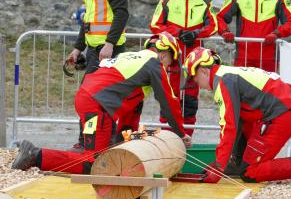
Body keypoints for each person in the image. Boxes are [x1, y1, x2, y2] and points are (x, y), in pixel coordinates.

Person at [12, 32, 192, 174]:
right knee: (95, 163)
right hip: (98, 105)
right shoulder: (153, 64)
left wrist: (141, 137)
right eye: (170, 61)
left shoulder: (132, 63)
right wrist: (180, 134)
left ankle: (39, 155)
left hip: (86, 99)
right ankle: (35, 155)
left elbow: (126, 129)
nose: (168, 67)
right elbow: (169, 102)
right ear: (164, 54)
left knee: (94, 153)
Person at [182, 47, 291, 183]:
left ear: (203, 71)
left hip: (282, 113)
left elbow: (229, 126)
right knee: (243, 139)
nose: (198, 85)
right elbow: (238, 121)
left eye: (195, 79)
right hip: (283, 108)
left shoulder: (222, 82)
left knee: (250, 172)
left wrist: (219, 166)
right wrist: (223, 162)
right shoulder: (227, 74)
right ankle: (237, 163)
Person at [66, 0, 129, 151]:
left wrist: (109, 44)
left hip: (109, 49)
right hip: (95, 50)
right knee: (91, 98)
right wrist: (78, 48)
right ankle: (88, 142)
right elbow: (87, 21)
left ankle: (100, 142)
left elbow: (122, 14)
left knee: (100, 99)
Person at [150, 0, 218, 136]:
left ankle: (186, 140)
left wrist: (196, 33)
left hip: (194, 60)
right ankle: (167, 140)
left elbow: (213, 26)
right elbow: (155, 25)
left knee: (190, 104)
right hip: (172, 59)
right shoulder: (166, 0)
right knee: (169, 101)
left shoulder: (205, 1)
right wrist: (178, 33)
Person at [216, 0, 291, 71]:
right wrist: (225, 31)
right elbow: (219, 17)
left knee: (266, 88)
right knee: (241, 88)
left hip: (268, 57)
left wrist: (277, 33)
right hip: (243, 56)